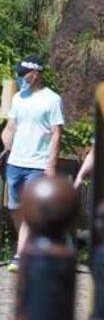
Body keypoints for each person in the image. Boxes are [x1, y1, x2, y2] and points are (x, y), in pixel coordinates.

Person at [2, 55, 64, 268]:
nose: (20, 77)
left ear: (36, 73)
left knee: (29, 209)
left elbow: (57, 133)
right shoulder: (19, 98)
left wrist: (51, 164)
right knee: (15, 208)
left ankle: (20, 256)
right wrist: (4, 149)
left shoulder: (52, 99)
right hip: (15, 162)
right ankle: (28, 246)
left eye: (23, 73)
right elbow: (11, 127)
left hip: (37, 164)